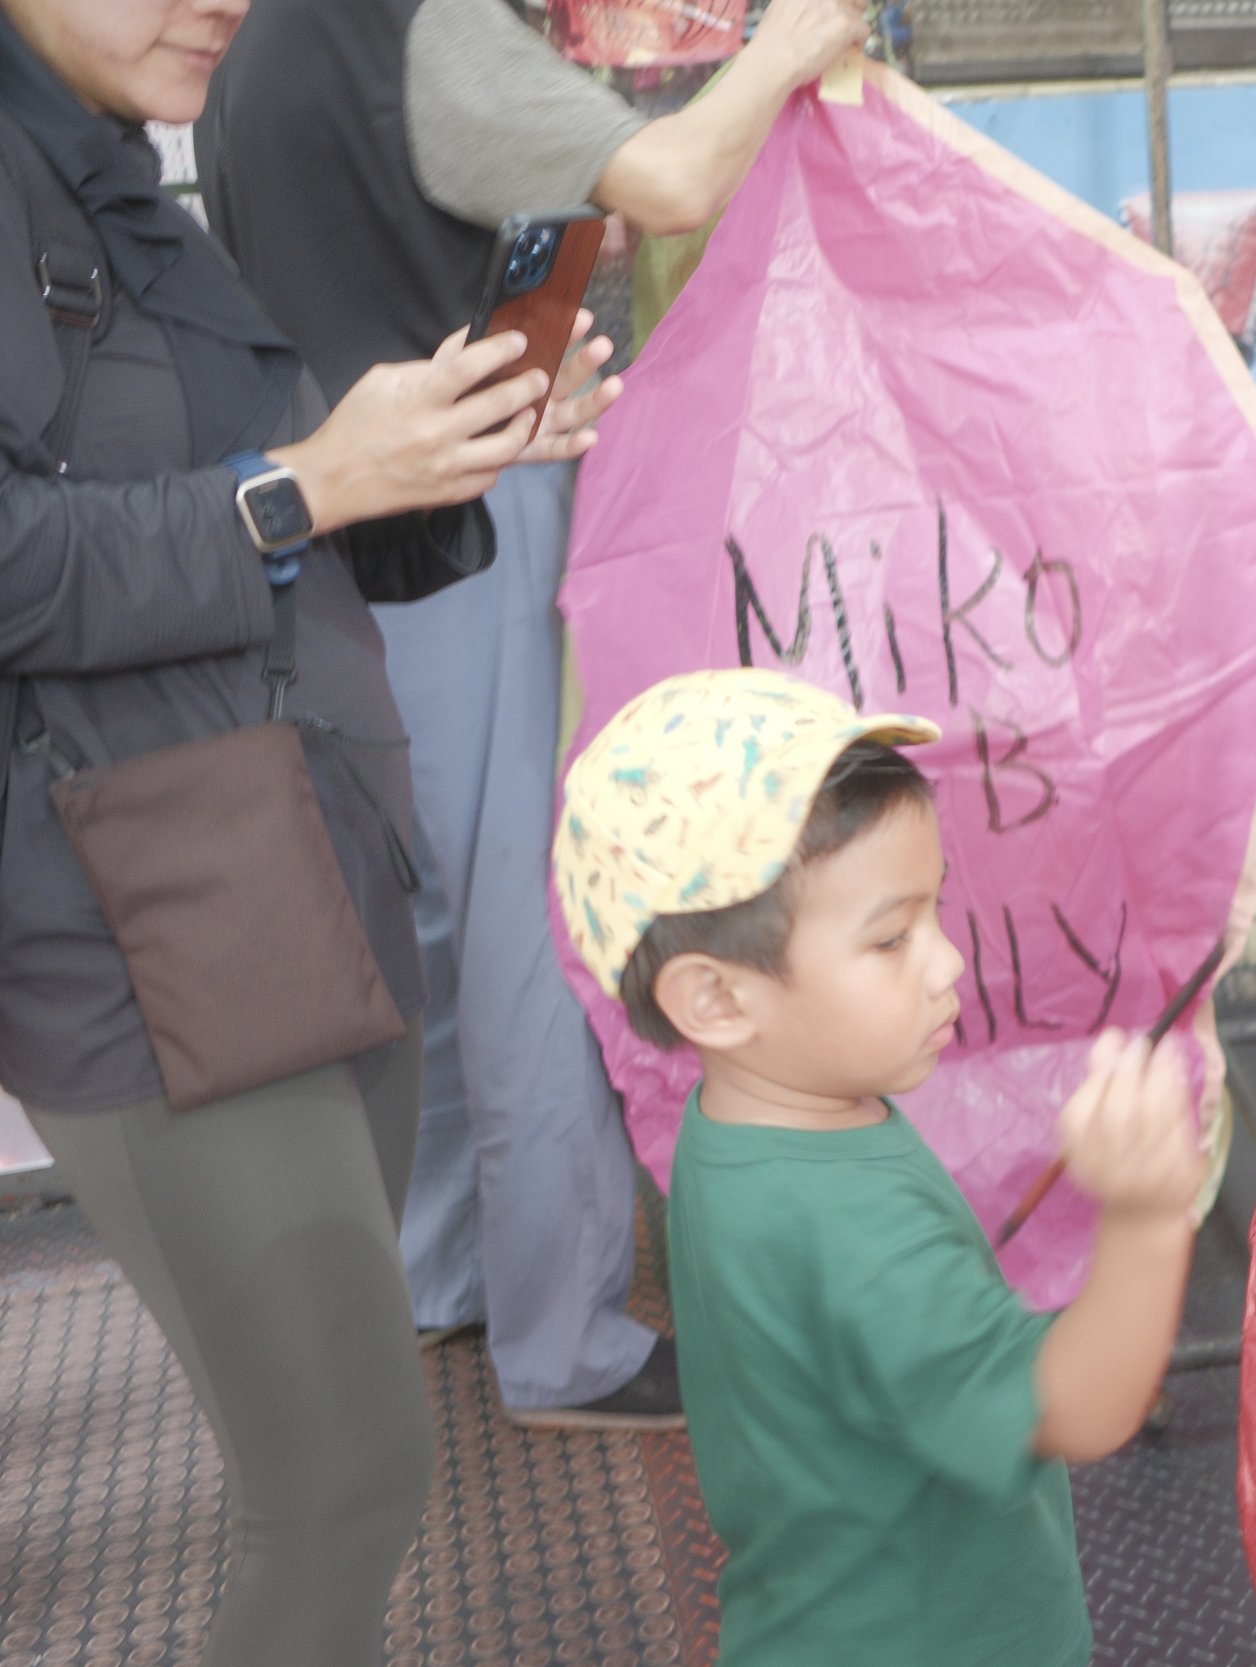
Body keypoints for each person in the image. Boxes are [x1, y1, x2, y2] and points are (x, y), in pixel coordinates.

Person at [0, 0, 601, 1659]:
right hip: (134, 908)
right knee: (341, 1474)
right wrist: (312, 485)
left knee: (349, 1467)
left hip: (285, 856)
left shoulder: (109, 155)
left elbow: (217, 493)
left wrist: (426, 463)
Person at [196, 0, 867, 1427]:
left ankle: (446, 1269)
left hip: (327, 536)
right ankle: (566, 1338)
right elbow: (676, 177)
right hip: (466, 525)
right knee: (530, 935)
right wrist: (795, 39)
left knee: (422, 926)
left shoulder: (246, 44)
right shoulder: (426, 30)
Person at [554, 669, 1204, 1667]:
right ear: (717, 1002)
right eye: (891, 937)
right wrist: (1149, 1215)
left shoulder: (736, 1117)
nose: (945, 961)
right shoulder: (848, 1225)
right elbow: (1077, 1404)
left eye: (934, 913)